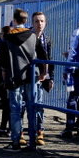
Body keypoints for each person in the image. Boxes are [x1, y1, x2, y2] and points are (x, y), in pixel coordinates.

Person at [0, 8, 46, 151]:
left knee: (15, 110)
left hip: (15, 76)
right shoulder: (33, 36)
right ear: (26, 21)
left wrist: (3, 72)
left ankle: (16, 141)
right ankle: (33, 140)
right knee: (32, 107)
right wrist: (44, 72)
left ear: (14, 20)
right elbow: (43, 55)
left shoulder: (8, 36)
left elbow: (2, 58)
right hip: (31, 76)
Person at [30, 11, 53, 146]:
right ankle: (22, 133)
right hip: (29, 76)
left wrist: (51, 78)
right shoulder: (29, 37)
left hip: (41, 77)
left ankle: (40, 132)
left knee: (39, 105)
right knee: (24, 105)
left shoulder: (47, 39)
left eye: (42, 21)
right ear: (32, 23)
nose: (39, 24)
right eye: (37, 21)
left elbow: (49, 59)